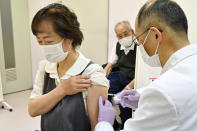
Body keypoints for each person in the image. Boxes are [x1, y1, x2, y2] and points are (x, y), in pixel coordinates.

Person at [96, 0, 197, 130]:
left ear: (155, 35)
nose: (140, 46)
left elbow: (167, 95)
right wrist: (143, 96)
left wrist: (104, 124)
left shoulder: (162, 91)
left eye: (139, 41)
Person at [28, 3, 109, 131]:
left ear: (69, 38)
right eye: (40, 41)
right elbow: (33, 109)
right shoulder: (45, 67)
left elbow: (96, 127)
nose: (44, 47)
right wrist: (63, 89)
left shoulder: (92, 74)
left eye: (49, 41)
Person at [104, 21, 136, 129]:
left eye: (126, 34)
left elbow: (141, 75)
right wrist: (101, 79)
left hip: (134, 80)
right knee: (102, 91)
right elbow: (109, 65)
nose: (123, 38)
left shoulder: (140, 46)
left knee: (125, 104)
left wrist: (126, 89)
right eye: (119, 36)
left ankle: (125, 125)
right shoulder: (118, 45)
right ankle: (112, 122)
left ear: (133, 32)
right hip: (121, 76)